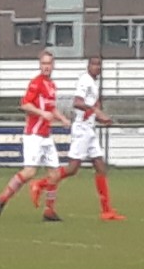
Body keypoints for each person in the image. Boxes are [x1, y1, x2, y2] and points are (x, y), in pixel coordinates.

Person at [29, 57, 125, 221]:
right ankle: (41, 184)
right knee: (72, 168)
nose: (97, 67)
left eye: (99, 65)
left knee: (100, 168)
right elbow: (77, 102)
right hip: (82, 130)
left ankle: (107, 210)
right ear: (88, 66)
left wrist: (102, 117)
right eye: (94, 64)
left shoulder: (93, 84)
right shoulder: (85, 81)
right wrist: (96, 112)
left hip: (89, 130)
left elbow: (92, 107)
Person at [0, 50, 71, 221]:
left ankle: (49, 211)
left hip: (46, 135)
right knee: (29, 172)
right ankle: (3, 198)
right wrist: (41, 114)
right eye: (44, 63)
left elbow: (51, 108)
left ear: (53, 65)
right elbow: (25, 104)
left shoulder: (51, 85)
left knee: (55, 174)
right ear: (40, 65)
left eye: (49, 63)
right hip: (34, 135)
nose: (46, 67)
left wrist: (63, 118)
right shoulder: (36, 83)